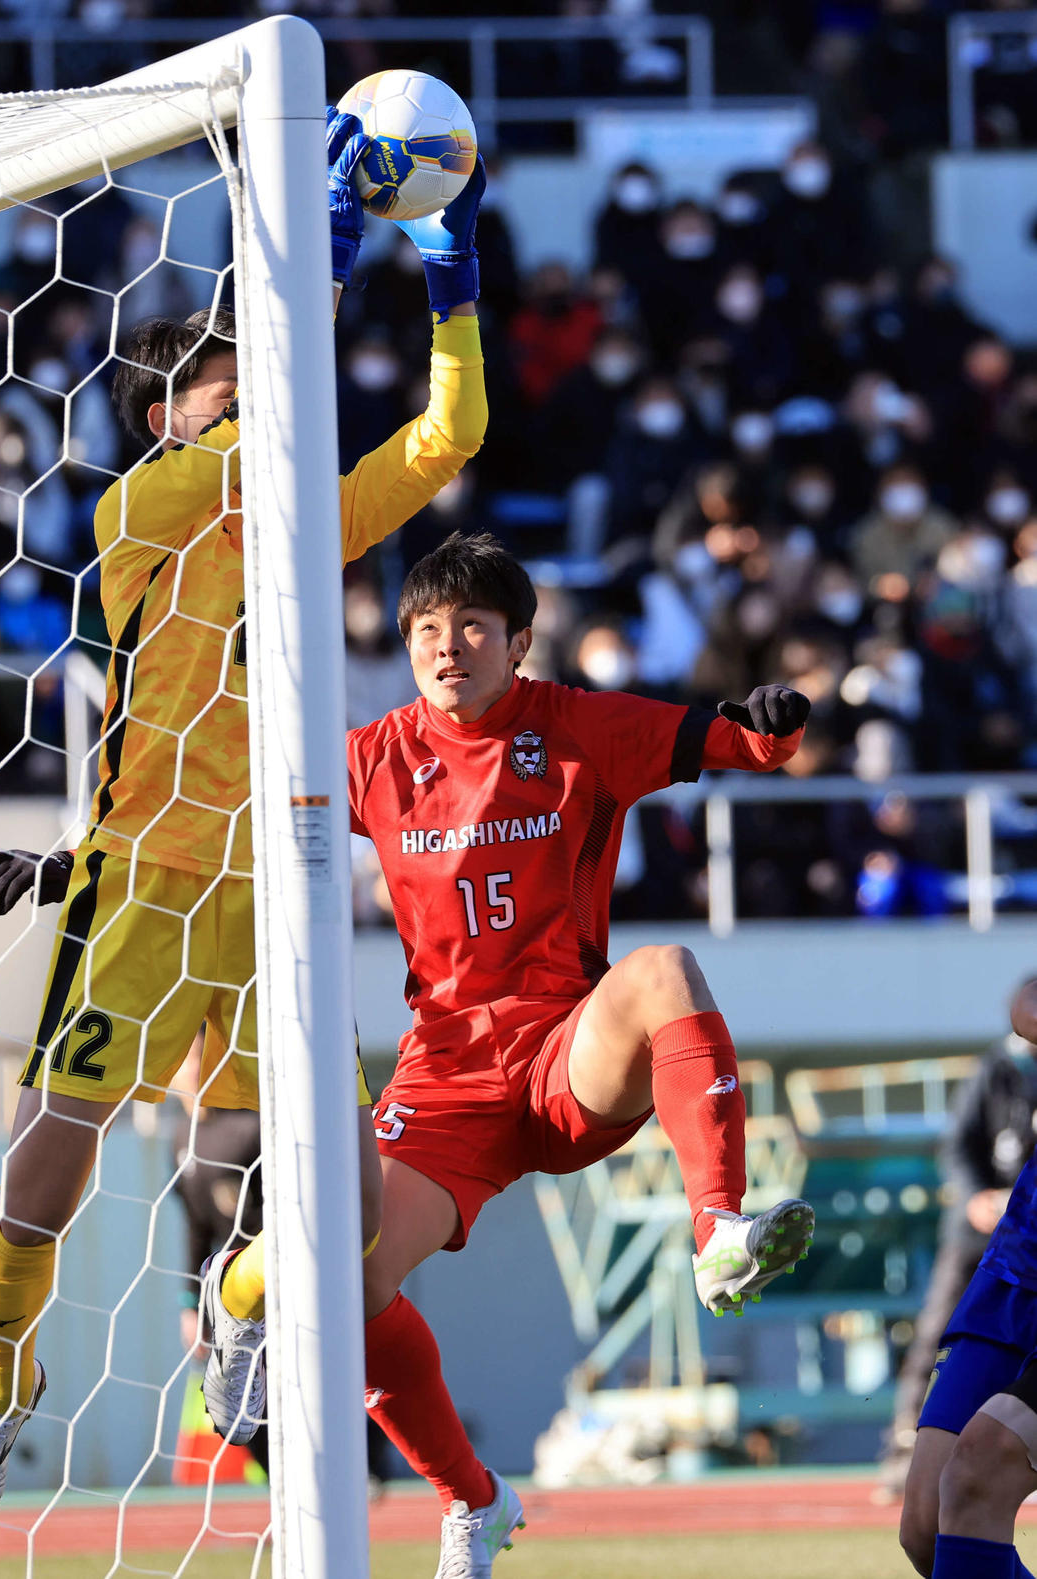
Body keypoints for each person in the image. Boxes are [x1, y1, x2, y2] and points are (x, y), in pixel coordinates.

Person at [0, 111, 489, 1535]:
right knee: (45, 1169)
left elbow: (450, 436)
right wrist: (314, 268)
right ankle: (0, 1385)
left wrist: (450, 285)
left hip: (280, 882)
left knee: (343, 1211)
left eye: (255, 378)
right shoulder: (141, 510)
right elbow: (271, 440)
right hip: (146, 878)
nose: (253, 402)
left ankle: (238, 1313)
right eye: (225, 387)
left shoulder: (305, 516)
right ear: (173, 415)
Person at [348, 532, 815, 1576]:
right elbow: (215, 828)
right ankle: (475, 1501)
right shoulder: (371, 757)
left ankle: (718, 1232)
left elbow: (732, 740)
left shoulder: (574, 727)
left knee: (660, 967)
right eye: (427, 627)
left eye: (472, 626)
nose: (446, 646)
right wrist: (78, 868)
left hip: (567, 1054)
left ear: (519, 641)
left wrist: (773, 721)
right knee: (342, 1289)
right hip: (445, 1081)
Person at [876, 976, 1037, 1500]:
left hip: (1029, 1236)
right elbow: (957, 1146)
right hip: (978, 1235)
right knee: (936, 1336)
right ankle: (904, 1452)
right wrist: (976, 1197)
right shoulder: (995, 1067)